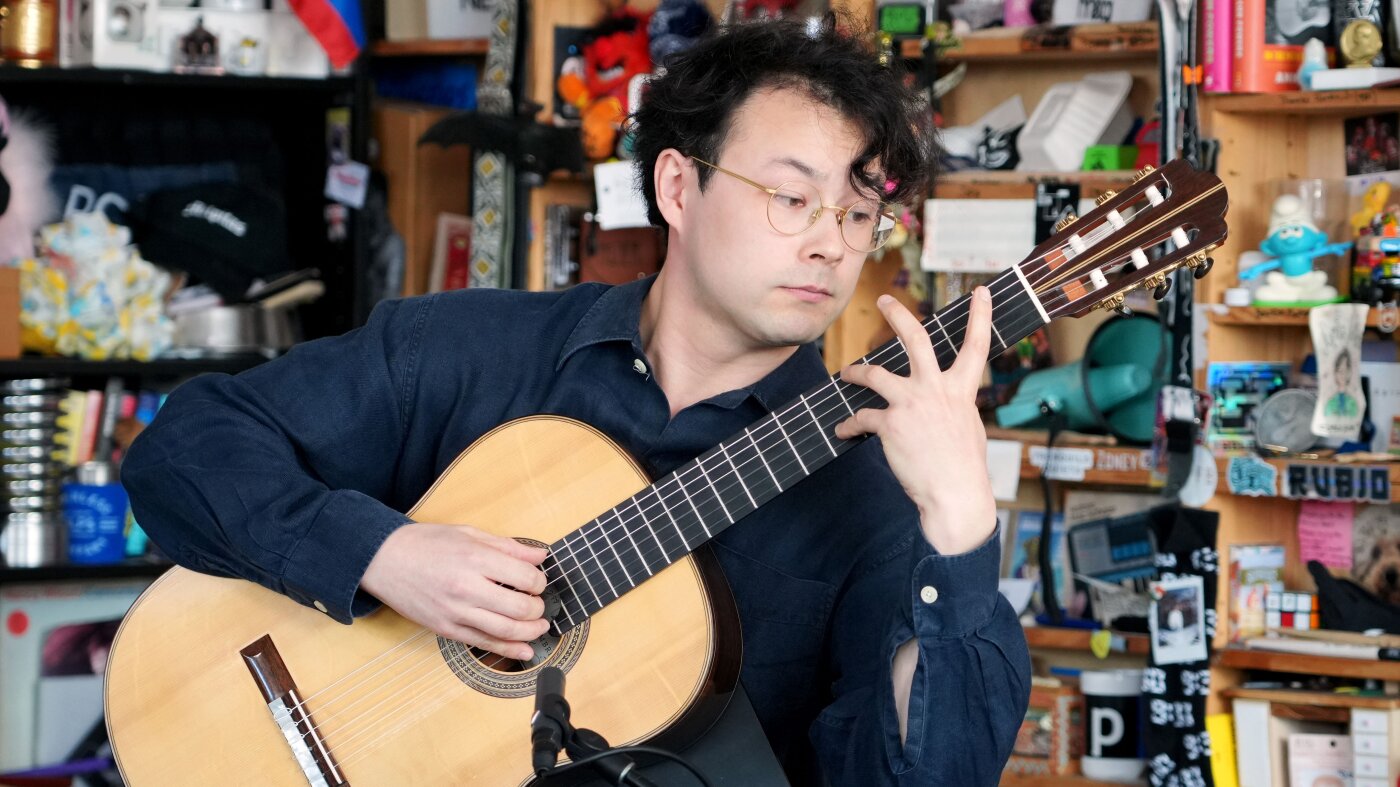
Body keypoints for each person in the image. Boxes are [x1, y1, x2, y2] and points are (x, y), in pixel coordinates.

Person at [122, 16, 1030, 785]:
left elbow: (926, 772)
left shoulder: (878, 492)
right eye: (794, 197)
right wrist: (383, 554)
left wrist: (958, 524)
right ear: (678, 186)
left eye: (860, 212)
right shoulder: (465, 348)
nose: (833, 244)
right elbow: (188, 449)